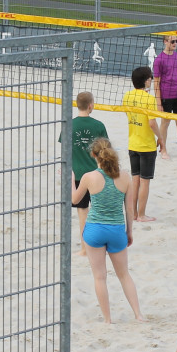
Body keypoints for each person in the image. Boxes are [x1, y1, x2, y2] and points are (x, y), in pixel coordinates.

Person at [71, 138, 145, 323]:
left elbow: (74, 199)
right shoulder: (125, 176)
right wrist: (129, 232)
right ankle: (138, 314)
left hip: (95, 230)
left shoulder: (89, 177)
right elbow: (129, 209)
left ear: (94, 155)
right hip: (117, 230)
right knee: (124, 275)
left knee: (100, 277)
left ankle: (107, 320)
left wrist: (71, 179)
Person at [69, 92, 109, 257]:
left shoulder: (69, 124)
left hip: (77, 175)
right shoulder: (98, 125)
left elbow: (65, 149)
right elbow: (105, 151)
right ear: (91, 105)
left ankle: (85, 249)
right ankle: (102, 246)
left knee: (82, 212)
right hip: (96, 175)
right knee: (100, 212)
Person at [122, 66, 162, 222]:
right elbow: (152, 123)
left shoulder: (127, 96)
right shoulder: (149, 99)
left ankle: (133, 214)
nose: (151, 80)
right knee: (145, 182)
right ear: (146, 81)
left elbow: (128, 114)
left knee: (135, 180)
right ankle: (142, 215)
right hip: (146, 145)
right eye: (150, 78)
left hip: (133, 143)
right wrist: (161, 138)